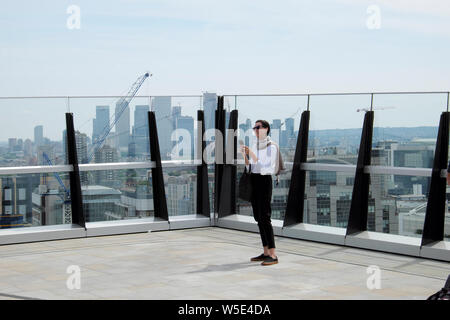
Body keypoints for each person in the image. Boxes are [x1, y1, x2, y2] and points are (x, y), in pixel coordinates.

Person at [239, 120, 285, 266]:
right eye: (254, 128)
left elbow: (267, 167)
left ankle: (273, 254)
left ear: (266, 129)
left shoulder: (272, 147)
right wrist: (244, 155)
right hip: (254, 181)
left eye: (258, 127)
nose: (256, 130)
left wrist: (251, 153)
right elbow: (251, 166)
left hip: (264, 182)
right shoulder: (255, 145)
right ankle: (265, 251)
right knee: (258, 217)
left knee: (265, 217)